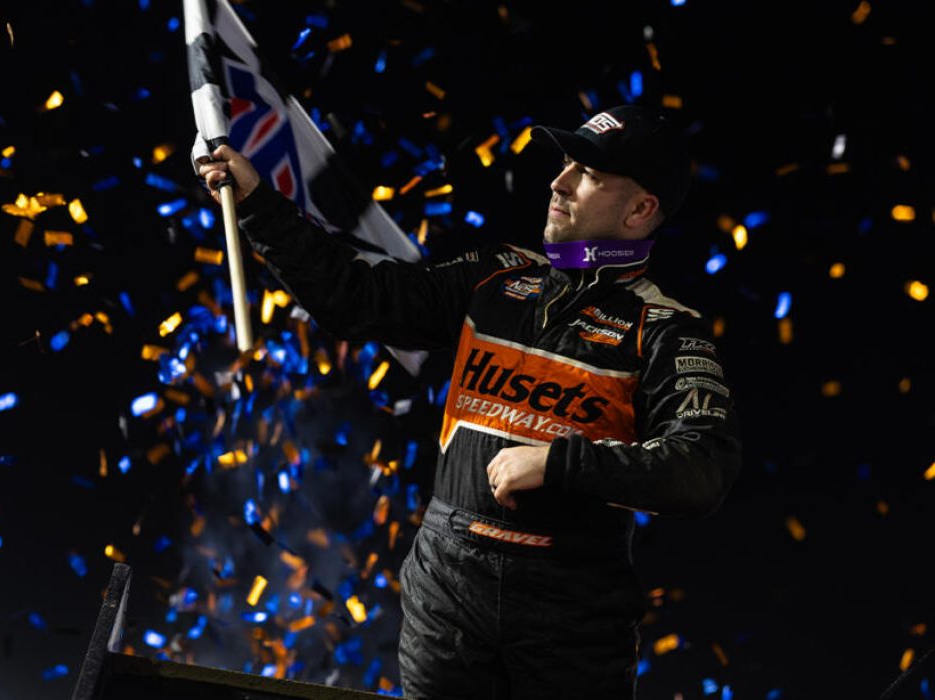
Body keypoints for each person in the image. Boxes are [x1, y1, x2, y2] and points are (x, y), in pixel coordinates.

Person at [197, 104, 742, 699]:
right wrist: (257, 204)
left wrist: (560, 461)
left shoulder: (667, 329)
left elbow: (702, 471)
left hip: (574, 617)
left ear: (641, 210)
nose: (558, 183)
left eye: (586, 173)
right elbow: (355, 298)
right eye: (565, 163)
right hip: (447, 593)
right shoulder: (494, 277)